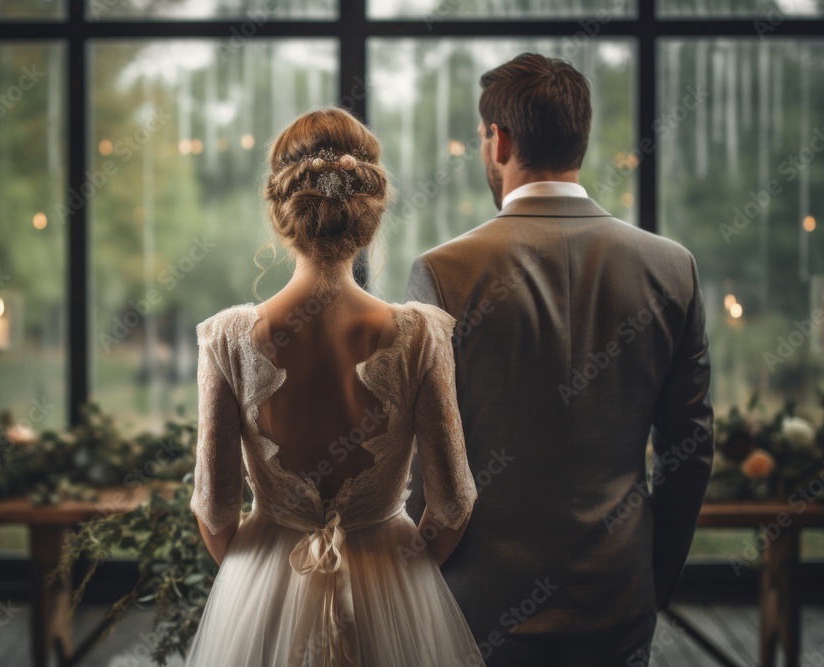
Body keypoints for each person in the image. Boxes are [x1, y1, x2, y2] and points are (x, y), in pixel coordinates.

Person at [406, 53, 714, 666]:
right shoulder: (671, 267)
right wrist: (651, 580)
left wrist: (419, 587)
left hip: (477, 604)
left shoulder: (444, 274)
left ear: (499, 139)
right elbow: (691, 448)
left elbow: (425, 462)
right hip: (619, 596)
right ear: (582, 136)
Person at [185, 107, 484, 667]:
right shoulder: (419, 334)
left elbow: (215, 511)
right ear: (369, 215)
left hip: (262, 579)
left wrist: (258, 582)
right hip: (391, 578)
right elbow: (453, 503)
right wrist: (400, 578)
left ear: (281, 214)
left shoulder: (226, 338)